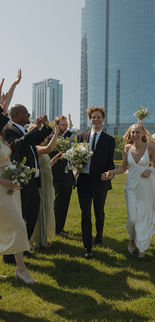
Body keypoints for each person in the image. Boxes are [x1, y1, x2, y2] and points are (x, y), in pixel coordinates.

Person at [0, 77, 36, 284]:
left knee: (10, 226)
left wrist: (14, 86)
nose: (7, 122)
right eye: (5, 120)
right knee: (18, 225)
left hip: (11, 188)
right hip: (4, 187)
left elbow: (4, 108)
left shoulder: (3, 139)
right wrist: (8, 182)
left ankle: (20, 269)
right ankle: (21, 269)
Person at [107, 123, 155, 258]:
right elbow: (123, 169)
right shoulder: (127, 148)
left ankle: (142, 247)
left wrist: (150, 170)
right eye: (132, 132)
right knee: (132, 218)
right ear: (130, 134)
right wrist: (111, 172)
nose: (135, 135)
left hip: (145, 186)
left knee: (143, 216)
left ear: (143, 133)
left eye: (137, 132)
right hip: (130, 187)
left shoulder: (150, 147)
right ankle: (132, 238)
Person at [76, 106, 115, 259]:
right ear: (89, 119)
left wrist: (109, 175)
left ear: (103, 119)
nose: (96, 119)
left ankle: (99, 235)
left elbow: (110, 163)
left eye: (99, 117)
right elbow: (76, 157)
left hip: (100, 182)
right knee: (85, 213)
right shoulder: (80, 136)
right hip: (83, 181)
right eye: (93, 117)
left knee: (99, 212)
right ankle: (88, 247)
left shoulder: (109, 140)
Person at [28, 123, 61, 248]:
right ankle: (39, 240)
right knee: (41, 211)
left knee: (46, 210)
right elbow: (49, 149)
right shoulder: (35, 147)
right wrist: (56, 133)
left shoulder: (39, 147)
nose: (44, 137)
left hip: (47, 183)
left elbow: (46, 166)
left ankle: (43, 238)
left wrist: (54, 160)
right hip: (41, 183)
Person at [50, 114, 74, 236]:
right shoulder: (53, 137)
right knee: (59, 203)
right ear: (57, 125)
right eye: (63, 125)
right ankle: (55, 229)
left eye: (66, 125)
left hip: (68, 176)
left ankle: (61, 228)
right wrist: (70, 129)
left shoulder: (66, 138)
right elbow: (60, 144)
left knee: (65, 203)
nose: (65, 127)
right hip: (58, 176)